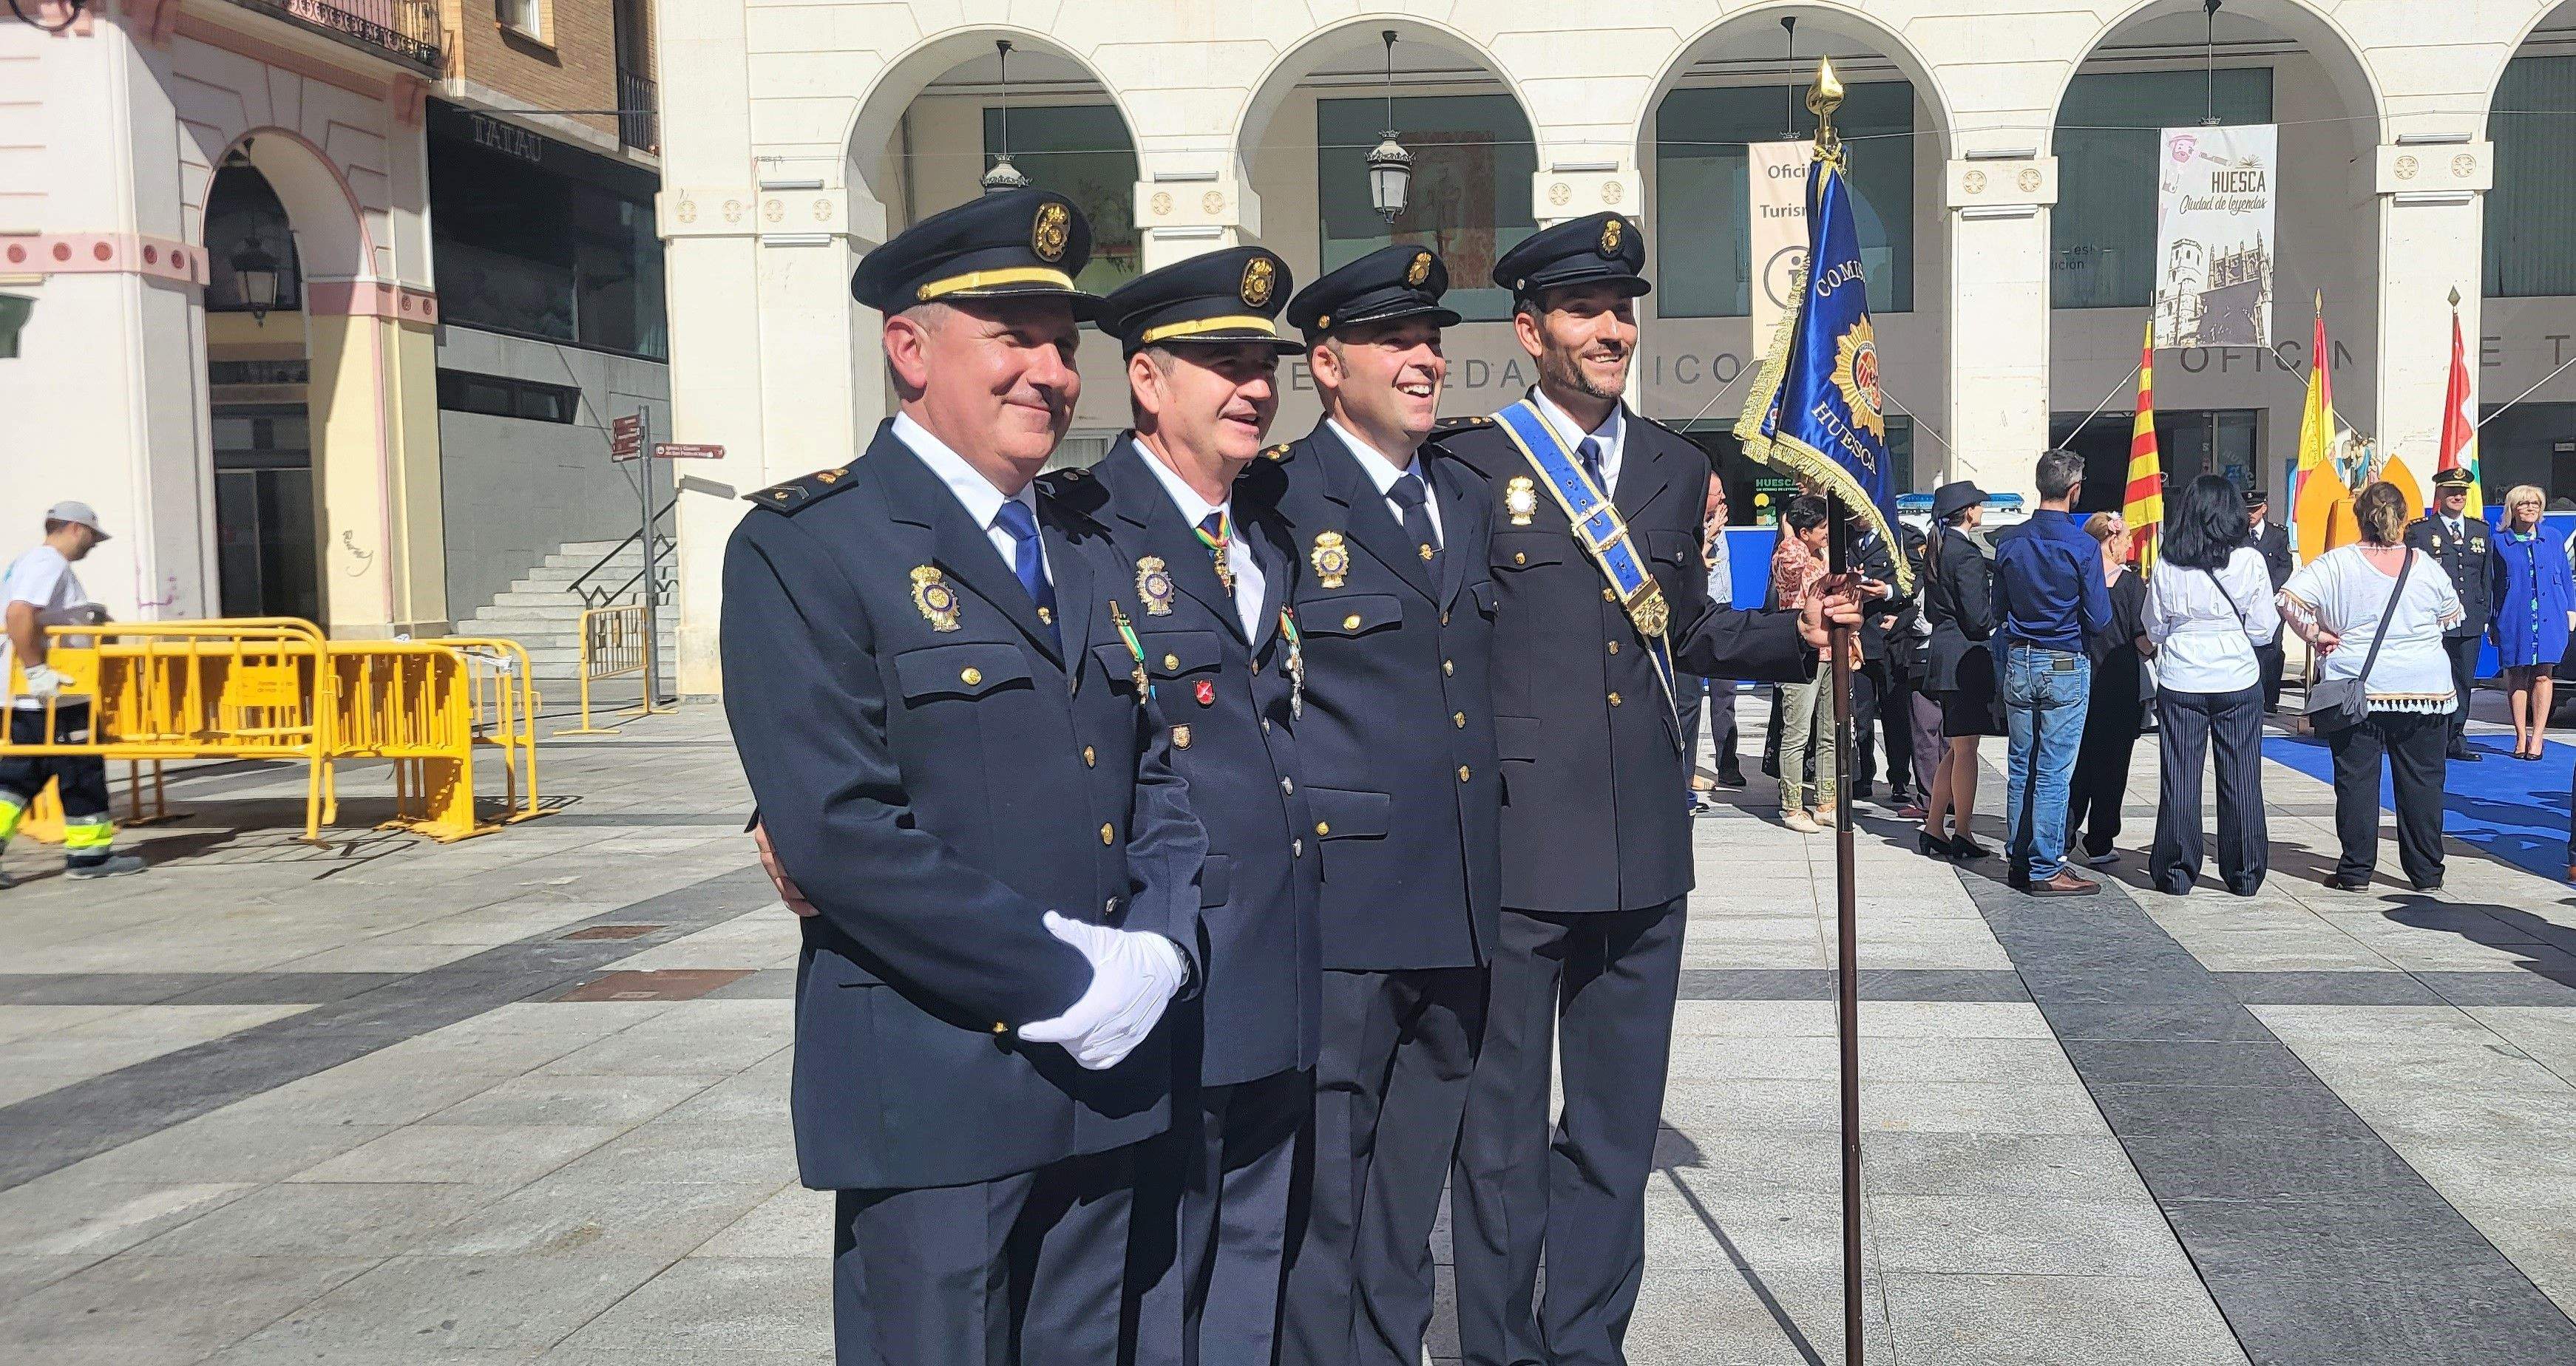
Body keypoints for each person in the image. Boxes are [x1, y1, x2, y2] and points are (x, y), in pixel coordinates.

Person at [722, 189, 1206, 1365]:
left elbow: (1161, 779)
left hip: (1103, 1089)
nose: (1050, 369)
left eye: (1063, 341)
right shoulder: (806, 548)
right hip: (935, 1096)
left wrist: (1160, 947)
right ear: (909, 348)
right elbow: (840, 832)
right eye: (1014, 337)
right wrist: (1071, 979)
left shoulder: (1088, 549)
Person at [1429, 211, 1848, 1366]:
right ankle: (1500, 1350)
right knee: (1501, 1137)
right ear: (1529, 331)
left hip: (1646, 851)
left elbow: (1692, 625)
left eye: (1623, 310)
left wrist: (1796, 631)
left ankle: (1587, 1343)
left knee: (1613, 1134)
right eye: (1583, 311)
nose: (1612, 329)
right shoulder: (1469, 468)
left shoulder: (1676, 466)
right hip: (1515, 852)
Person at [1043, 246, 1319, 1365]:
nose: (1254, 385)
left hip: (1286, 958)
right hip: (1175, 962)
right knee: (1166, 1267)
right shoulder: (1082, 532)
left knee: (1256, 1254)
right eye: (1222, 362)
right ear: (1148, 381)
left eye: (1264, 362)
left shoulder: (1268, 532)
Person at [1265, 245, 1499, 1366]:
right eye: (1397, 341)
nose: (1425, 359)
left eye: (1433, 340)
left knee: (1410, 1203)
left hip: (1459, 906)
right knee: (1328, 1199)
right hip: (1344, 907)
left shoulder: (1465, 491)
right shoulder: (1274, 499)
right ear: (1327, 363)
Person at [2279, 480, 2466, 892]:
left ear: (2359, 518)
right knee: (2423, 781)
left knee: (2357, 780)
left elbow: (2288, 599)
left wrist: (2316, 634)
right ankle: (2426, 872)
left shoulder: (2337, 563)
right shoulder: (2427, 566)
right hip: (2425, 687)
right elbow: (2452, 617)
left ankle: (2357, 870)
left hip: (2357, 686)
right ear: (2403, 519)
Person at [2142, 475, 2280, 896]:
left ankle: (2177, 870)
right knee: (2241, 775)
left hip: (2182, 674)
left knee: (2180, 776)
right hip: (2237, 674)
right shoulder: (2250, 561)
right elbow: (2263, 628)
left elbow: (2154, 625)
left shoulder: (2168, 563)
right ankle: (2244, 871)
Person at [1, 501, 145, 886]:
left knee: (18, 776)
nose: (93, 546)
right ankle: (90, 857)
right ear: (74, 528)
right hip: (52, 693)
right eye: (92, 537)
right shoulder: (48, 563)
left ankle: (89, 856)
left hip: (30, 694)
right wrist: (38, 671)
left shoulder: (29, 562)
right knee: (80, 771)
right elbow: (19, 613)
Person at [1993, 449, 2111, 896]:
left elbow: (1997, 607)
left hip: (2020, 658)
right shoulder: (2082, 544)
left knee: (2021, 763)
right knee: (2055, 770)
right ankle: (2045, 865)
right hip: (2063, 659)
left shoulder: (2010, 540)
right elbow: (2099, 617)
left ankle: (2020, 855)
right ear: (2074, 490)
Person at [2064, 512, 2152, 869]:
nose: (2130, 545)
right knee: (2113, 766)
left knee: (2074, 765)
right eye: (2127, 538)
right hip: (2118, 684)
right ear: (2112, 540)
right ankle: (2100, 840)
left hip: (2078, 680)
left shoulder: (2074, 579)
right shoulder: (2131, 586)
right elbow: (2143, 639)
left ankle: (2063, 836)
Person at [1919, 480, 2000, 860]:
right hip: (1964, 658)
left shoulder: (1939, 548)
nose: (1982, 510)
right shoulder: (1964, 554)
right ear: (1968, 512)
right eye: (1979, 506)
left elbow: (1935, 611)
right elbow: (1978, 617)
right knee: (1966, 750)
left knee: (1955, 750)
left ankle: (1935, 827)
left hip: (1944, 653)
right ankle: (1963, 832)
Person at [2404, 467, 2495, 761]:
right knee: (2431, 678)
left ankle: (2455, 736)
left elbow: (2485, 578)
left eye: (2462, 492)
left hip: (2469, 618)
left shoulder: (2480, 530)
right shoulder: (2420, 531)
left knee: (2464, 680)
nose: (2458, 496)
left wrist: (2486, 616)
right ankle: (2430, 736)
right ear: (2439, 495)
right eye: (2451, 491)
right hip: (2434, 620)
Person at [2487, 483, 2573, 761]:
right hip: (2514, 616)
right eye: (2524, 504)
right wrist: (2492, 621)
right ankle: (2521, 736)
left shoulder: (2553, 537)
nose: (2531, 508)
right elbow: (2492, 584)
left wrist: (2571, 609)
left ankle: (2538, 738)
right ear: (2512, 509)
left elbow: (2564, 574)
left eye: (2536, 503)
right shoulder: (2500, 541)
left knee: (2543, 674)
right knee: (2517, 675)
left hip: (2550, 615)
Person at [1677, 475, 1748, 806]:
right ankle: (1684, 771)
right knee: (1688, 701)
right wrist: (1708, 537)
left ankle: (1727, 763)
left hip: (1722, 613)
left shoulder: (1722, 528)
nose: (1722, 500)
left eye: (1722, 494)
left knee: (1725, 694)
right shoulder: (1686, 523)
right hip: (1694, 621)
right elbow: (1689, 569)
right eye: (1716, 494)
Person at [1770, 495, 1837, 832]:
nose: (1828, 534)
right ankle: (1792, 805)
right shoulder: (1790, 551)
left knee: (1829, 732)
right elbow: (1805, 576)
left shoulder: (1820, 552)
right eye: (1823, 528)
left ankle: (1826, 801)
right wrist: (1793, 534)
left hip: (1828, 650)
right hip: (1798, 650)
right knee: (1797, 732)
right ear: (1806, 530)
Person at [1896, 523, 1940, 821]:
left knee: (1926, 734)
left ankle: (1930, 798)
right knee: (1946, 736)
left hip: (1926, 658)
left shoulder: (1923, 581)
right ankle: (1944, 797)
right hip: (1943, 661)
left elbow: (1923, 623)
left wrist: (1905, 621)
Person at [2245, 489, 2294, 710]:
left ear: (2264, 508)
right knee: (2249, 649)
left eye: (2255, 510)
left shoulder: (2278, 535)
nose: (2251, 515)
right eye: (2248, 511)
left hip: (2271, 601)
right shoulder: (2238, 535)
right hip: (2245, 602)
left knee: (2273, 648)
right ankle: (2250, 695)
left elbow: (2285, 565)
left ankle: (2270, 698)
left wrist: (2268, 591)